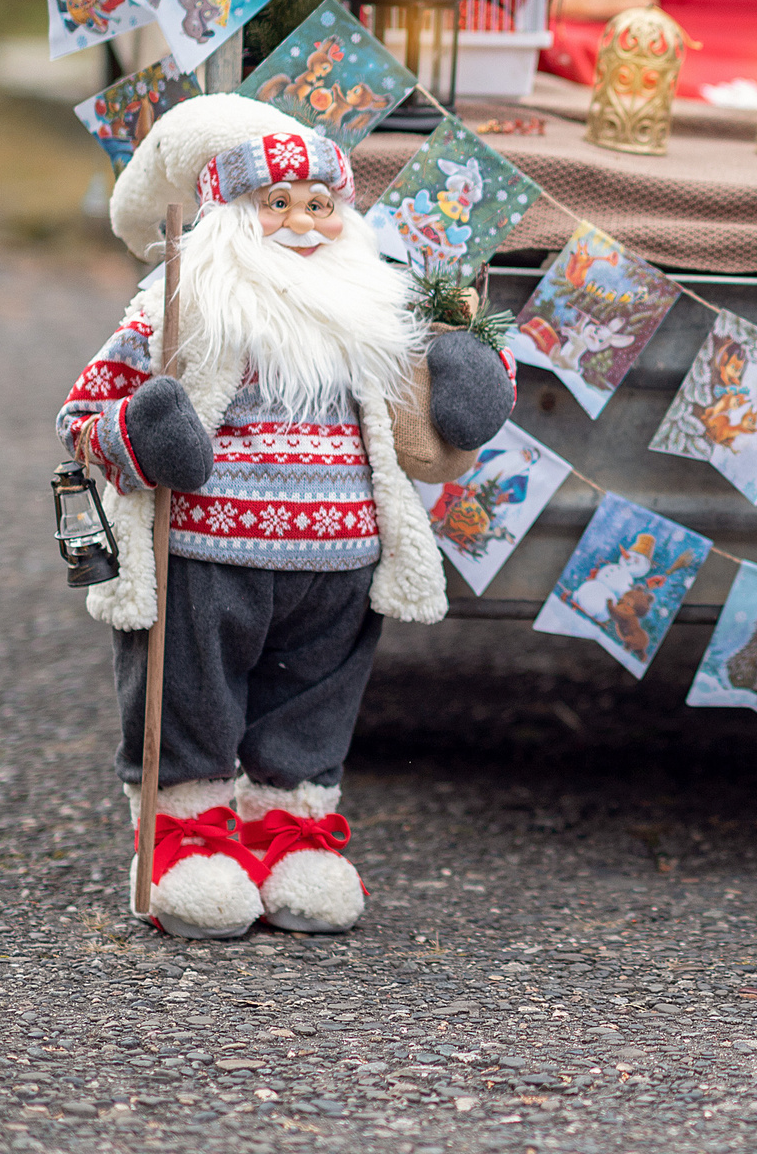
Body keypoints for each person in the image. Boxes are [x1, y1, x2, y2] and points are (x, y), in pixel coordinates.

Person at [58, 96, 516, 939]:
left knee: (312, 709)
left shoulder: (374, 318)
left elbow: (423, 440)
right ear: (231, 215)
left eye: (320, 205)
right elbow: (81, 419)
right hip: (204, 554)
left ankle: (293, 835)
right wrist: (144, 435)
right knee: (191, 700)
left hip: (340, 563)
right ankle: (185, 843)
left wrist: (467, 383)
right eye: (278, 205)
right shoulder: (179, 307)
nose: (303, 223)